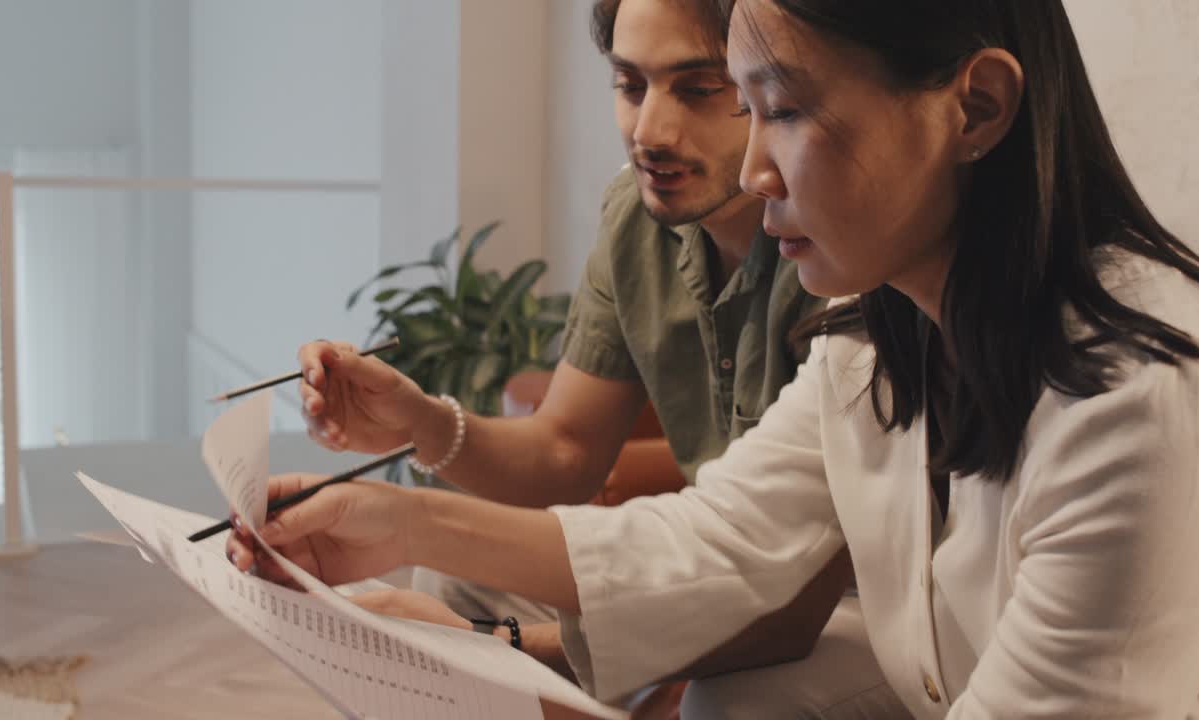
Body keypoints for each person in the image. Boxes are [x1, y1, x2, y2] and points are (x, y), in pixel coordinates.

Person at [237, 0, 1199, 715]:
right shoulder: (875, 336)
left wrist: (506, 665)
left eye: (786, 109)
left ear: (973, 108)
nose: (754, 170)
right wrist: (389, 517)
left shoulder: (1136, 398)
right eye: (748, 110)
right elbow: (710, 538)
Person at [263, 0, 903, 716]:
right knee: (446, 589)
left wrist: (505, 645)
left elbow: (784, 598)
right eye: (630, 85)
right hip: (731, 554)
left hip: (857, 601)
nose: (649, 132)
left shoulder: (852, 253)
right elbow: (566, 447)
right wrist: (421, 423)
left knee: (722, 703)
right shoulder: (638, 217)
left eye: (698, 89)